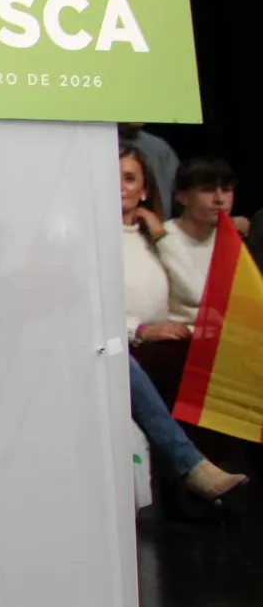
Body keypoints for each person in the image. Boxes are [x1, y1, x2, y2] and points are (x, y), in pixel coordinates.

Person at [118, 146, 248, 502]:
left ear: (145, 190)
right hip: (125, 346)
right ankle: (192, 474)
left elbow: (196, 294)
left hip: (163, 343)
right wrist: (140, 330)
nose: (120, 186)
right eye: (111, 178)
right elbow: (92, 310)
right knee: (192, 361)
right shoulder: (95, 241)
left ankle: (207, 482)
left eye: (129, 178)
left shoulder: (149, 235)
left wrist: (159, 234)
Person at [162, 157, 244, 326]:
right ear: (182, 197)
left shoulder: (232, 240)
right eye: (207, 190)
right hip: (177, 337)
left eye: (226, 190)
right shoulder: (161, 237)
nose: (220, 199)